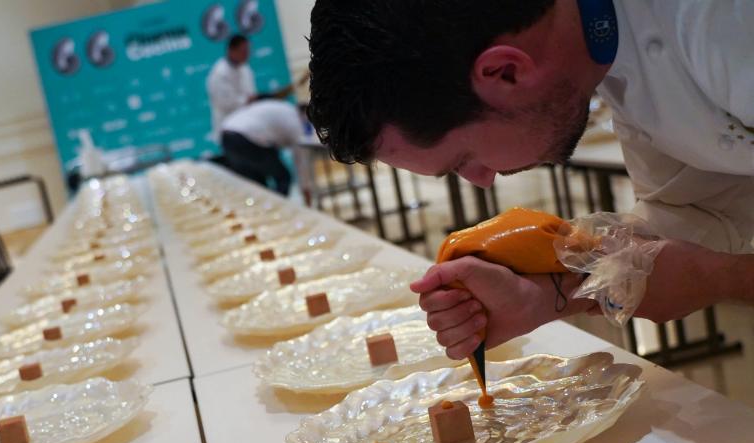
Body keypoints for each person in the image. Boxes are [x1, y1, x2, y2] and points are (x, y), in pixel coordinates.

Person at [306, 0, 754, 359]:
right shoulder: (601, 53)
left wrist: (720, 279)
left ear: (506, 71)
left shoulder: (721, 22)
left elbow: (706, 254)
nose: (479, 181)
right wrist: (550, 296)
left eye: (463, 159)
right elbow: (695, 211)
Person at [220, 100, 309, 196]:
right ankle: (276, 207)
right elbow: (300, 160)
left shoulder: (283, 108)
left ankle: (263, 208)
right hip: (247, 137)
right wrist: (306, 189)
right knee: (283, 177)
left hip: (226, 136)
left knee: (258, 186)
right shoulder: (295, 120)